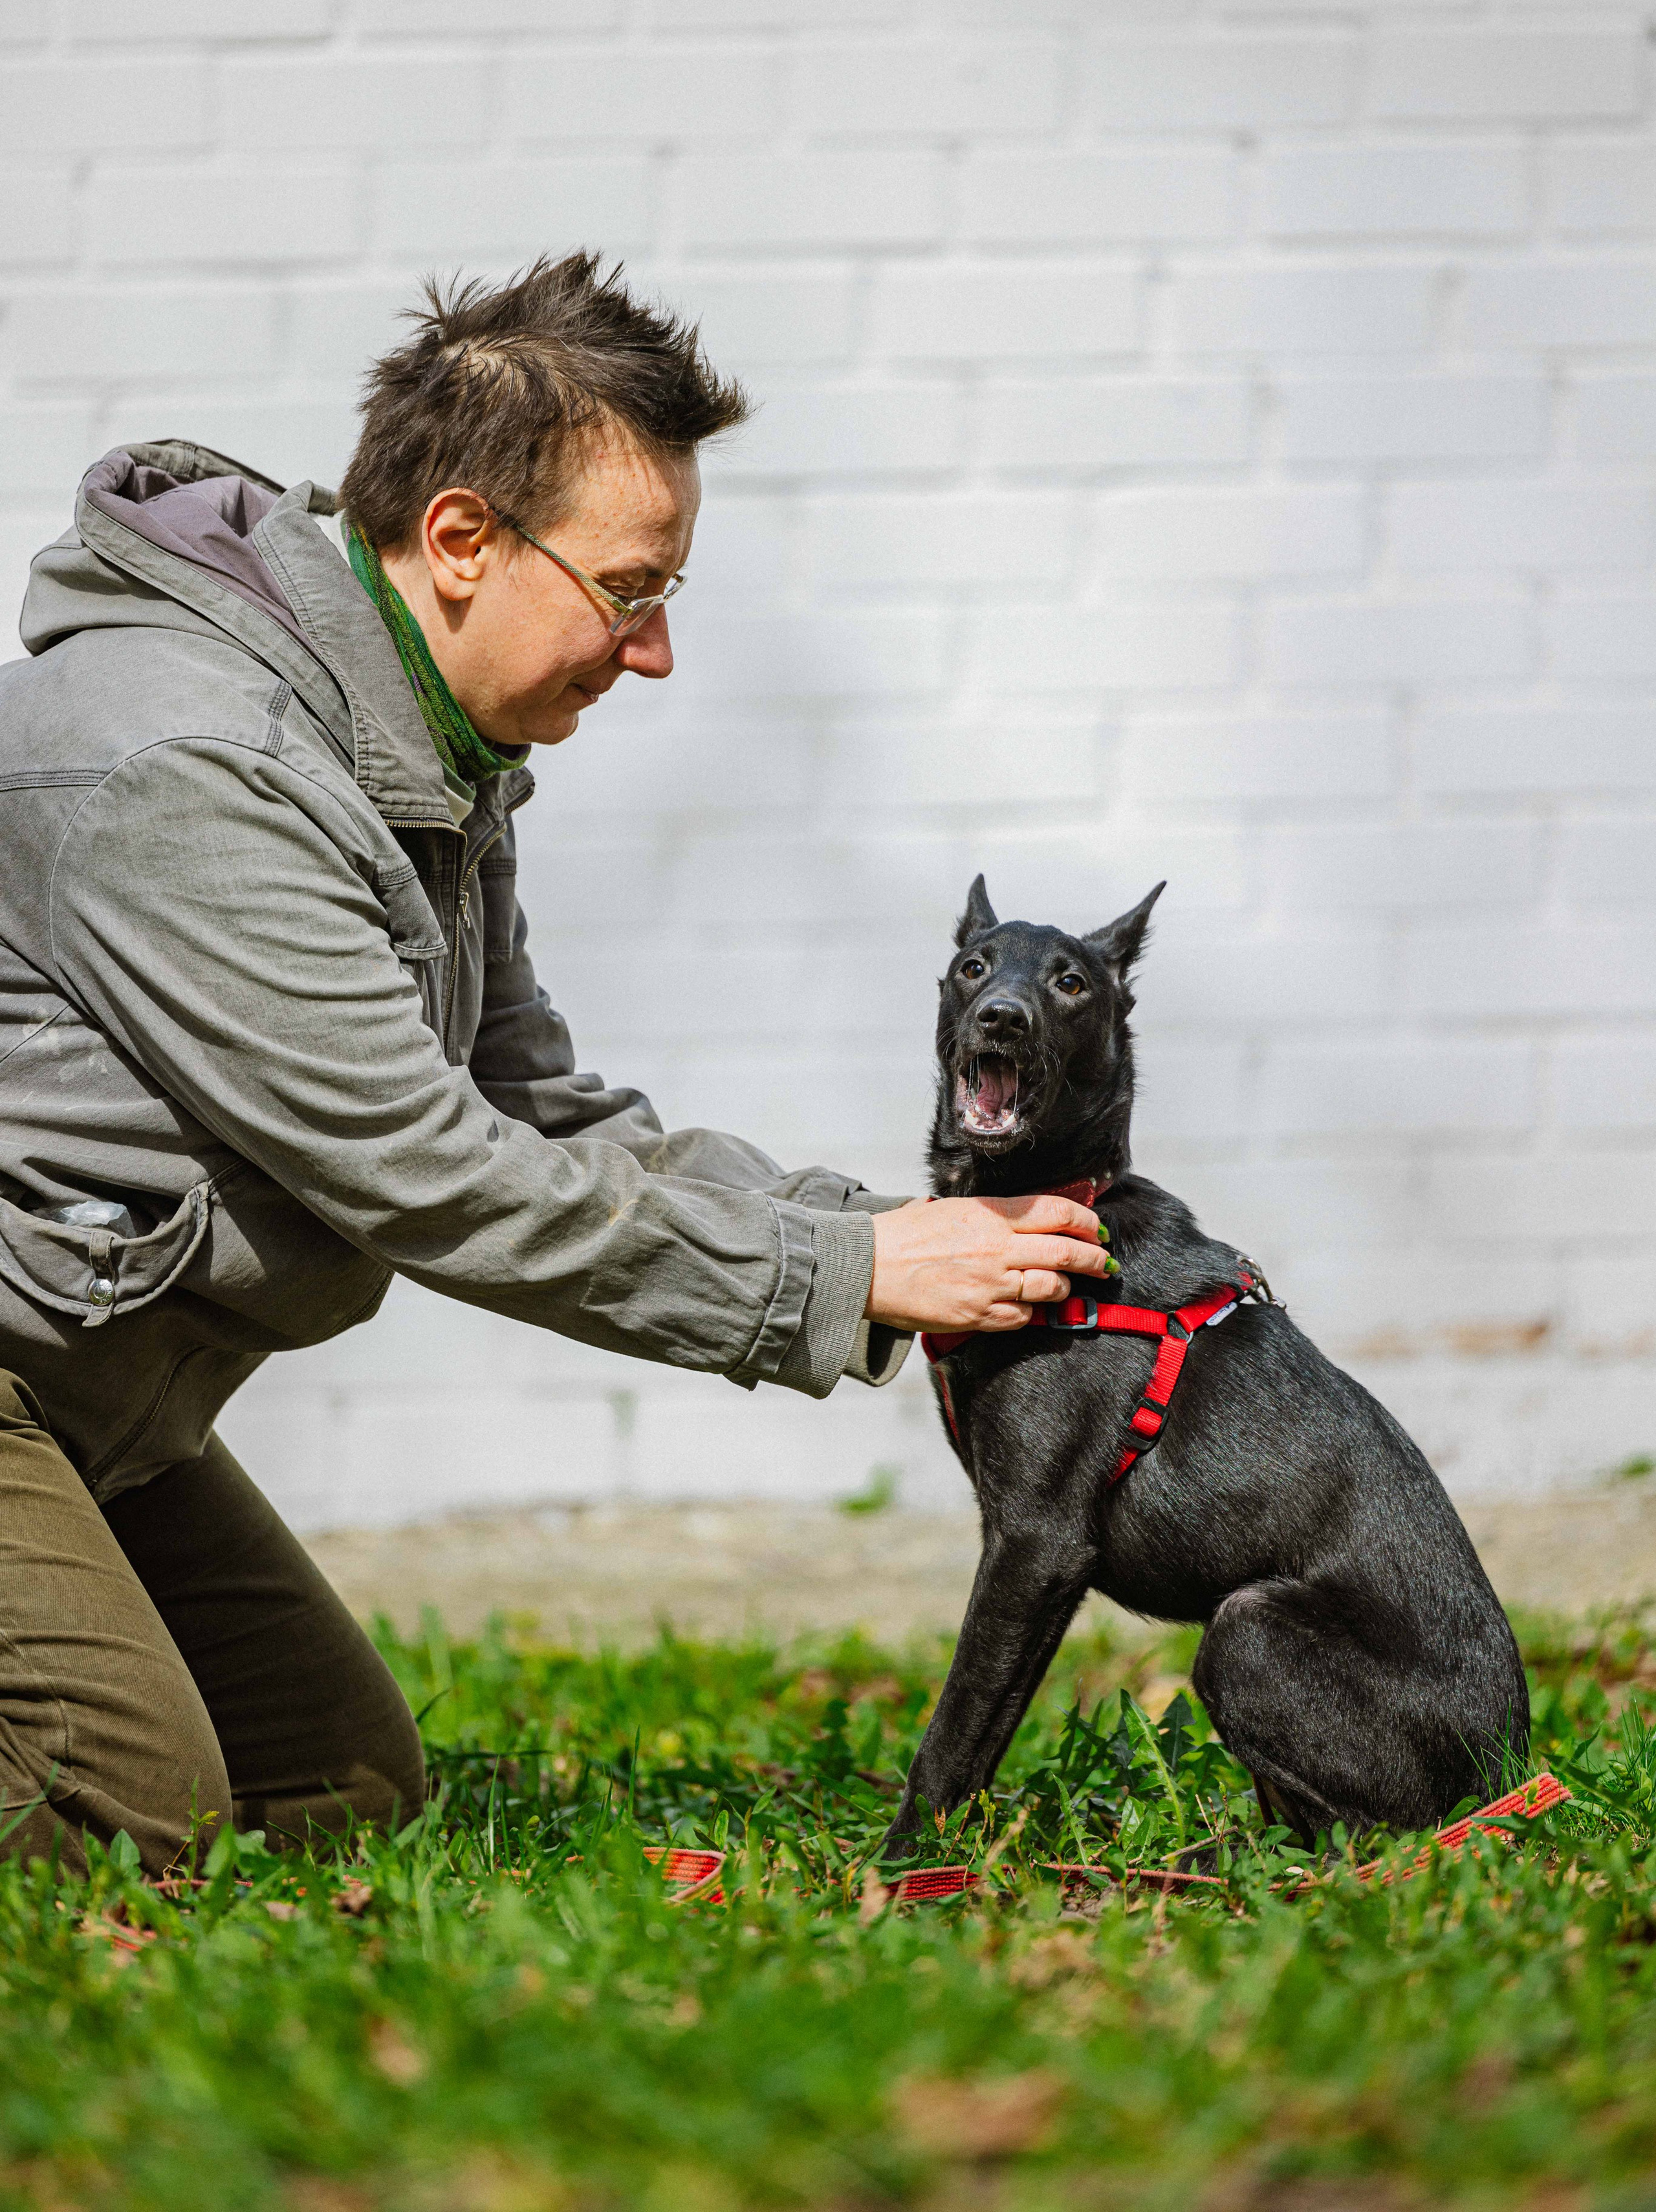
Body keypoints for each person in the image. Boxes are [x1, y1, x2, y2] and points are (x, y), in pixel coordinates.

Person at [0, 254, 1109, 1872]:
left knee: (334, 1790)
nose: (651, 654)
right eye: (630, 589)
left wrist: (868, 1227)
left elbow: (531, 1110)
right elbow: (429, 1172)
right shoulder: (200, 770)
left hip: (95, 1401)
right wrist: (851, 1267)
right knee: (122, 1812)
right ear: (460, 539)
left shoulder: (424, 747)